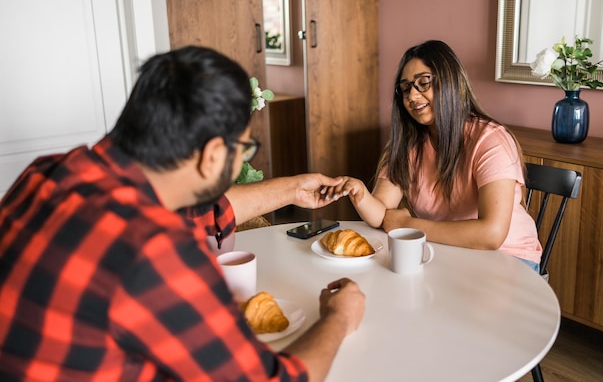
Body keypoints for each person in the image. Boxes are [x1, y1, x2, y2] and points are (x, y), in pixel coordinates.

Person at [0, 46, 364, 381]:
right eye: (245, 148)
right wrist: (339, 317)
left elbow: (203, 209)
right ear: (213, 155)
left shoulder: (49, 173)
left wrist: (289, 190)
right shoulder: (153, 248)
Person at [328, 40, 542, 271]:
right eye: (406, 88)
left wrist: (409, 225)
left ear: (450, 82)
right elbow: (382, 215)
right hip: (447, 252)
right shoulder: (407, 144)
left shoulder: (489, 140)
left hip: (510, 258)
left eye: (423, 83)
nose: (412, 96)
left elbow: (491, 234)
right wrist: (360, 194)